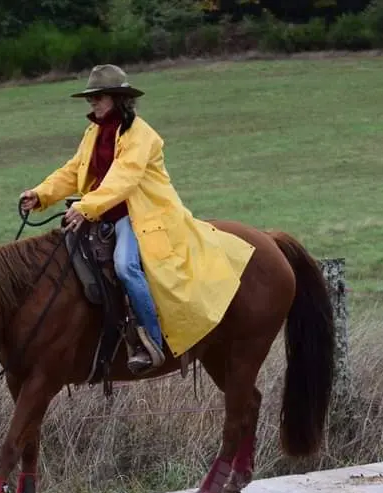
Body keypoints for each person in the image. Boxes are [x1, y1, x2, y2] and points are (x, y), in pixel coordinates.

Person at [19, 64, 255, 375]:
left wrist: (85, 207)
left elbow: (124, 180)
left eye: (98, 97)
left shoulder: (141, 135)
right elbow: (73, 171)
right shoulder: (94, 132)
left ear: (117, 98)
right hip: (103, 212)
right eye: (90, 98)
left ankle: (151, 341)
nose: (92, 103)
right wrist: (41, 194)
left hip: (140, 214)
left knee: (125, 267)